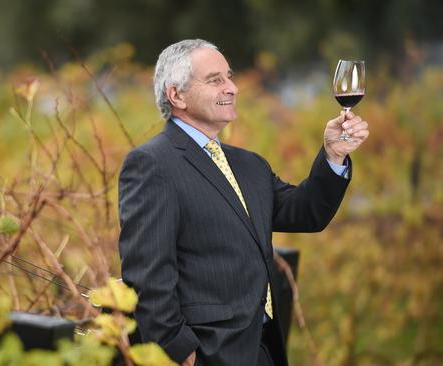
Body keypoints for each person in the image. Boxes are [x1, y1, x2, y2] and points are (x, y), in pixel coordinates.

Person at [117, 39, 369, 366]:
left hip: (263, 348)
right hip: (206, 353)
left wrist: (334, 155)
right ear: (176, 95)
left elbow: (306, 213)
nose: (233, 88)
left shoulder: (249, 164)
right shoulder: (151, 164)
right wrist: (180, 352)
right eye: (215, 80)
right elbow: (147, 275)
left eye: (230, 76)